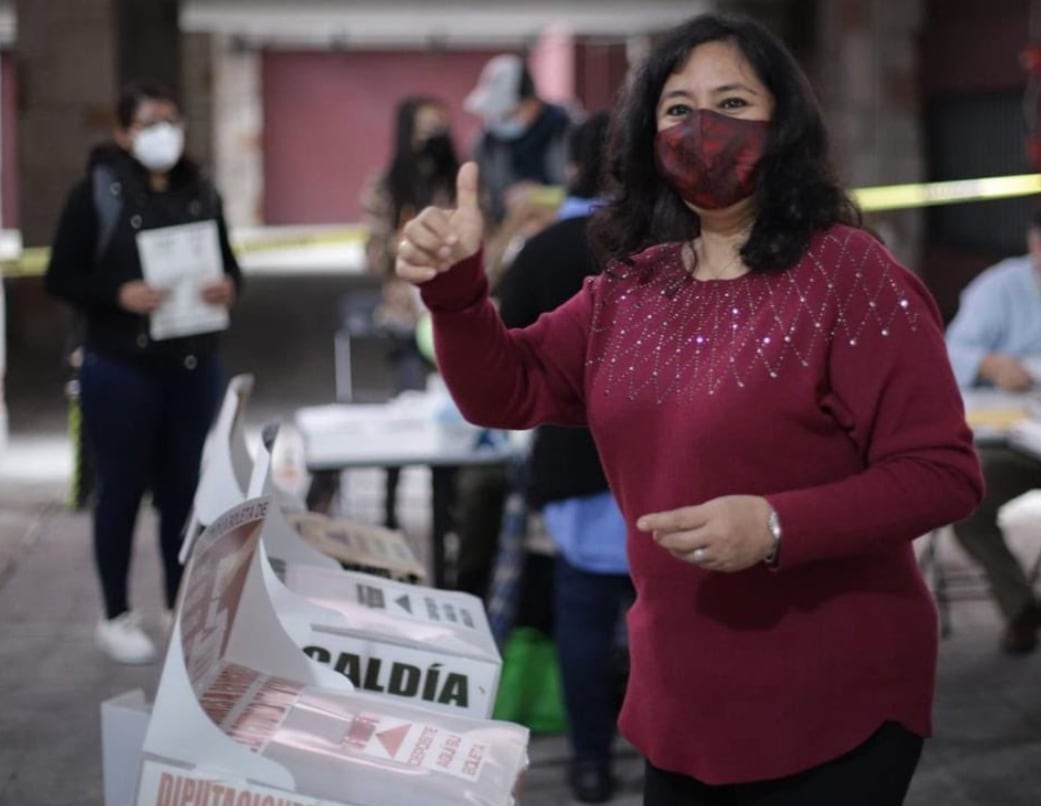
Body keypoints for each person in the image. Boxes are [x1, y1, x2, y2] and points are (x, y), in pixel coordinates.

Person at [396, 12, 983, 806]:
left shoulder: (850, 275)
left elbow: (942, 474)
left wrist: (777, 527)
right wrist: (456, 288)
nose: (702, 128)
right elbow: (502, 388)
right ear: (646, 135)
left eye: (732, 103)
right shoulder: (631, 289)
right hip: (680, 697)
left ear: (784, 126)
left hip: (834, 696)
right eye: (677, 108)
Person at [44, 80, 241, 664]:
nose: (165, 133)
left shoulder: (201, 191)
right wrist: (117, 294)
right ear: (124, 133)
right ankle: (115, 614)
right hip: (120, 368)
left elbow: (231, 266)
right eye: (151, 122)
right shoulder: (96, 194)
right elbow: (61, 278)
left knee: (182, 492)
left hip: (191, 365)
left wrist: (228, 286)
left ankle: (180, 605)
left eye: (172, 120)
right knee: (122, 491)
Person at [495, 110, 634, 804]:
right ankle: (682, 754)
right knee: (671, 621)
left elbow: (505, 346)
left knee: (580, 617)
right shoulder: (670, 242)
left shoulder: (544, 248)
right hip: (669, 465)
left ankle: (589, 762)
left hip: (574, 465)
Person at [945, 212, 1041, 653]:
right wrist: (989, 363)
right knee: (968, 503)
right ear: (1033, 242)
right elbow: (950, 349)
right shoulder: (1000, 287)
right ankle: (1021, 608)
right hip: (1016, 441)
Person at [358, 95, 455, 527]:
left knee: (456, 422)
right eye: (424, 129)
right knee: (406, 414)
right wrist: (400, 242)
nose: (433, 138)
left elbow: (485, 245)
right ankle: (390, 509)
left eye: (440, 127)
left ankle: (448, 512)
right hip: (404, 319)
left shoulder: (461, 184)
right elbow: (372, 255)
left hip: (453, 318)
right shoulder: (385, 185)